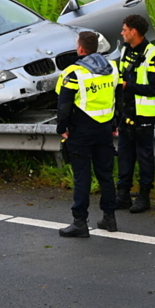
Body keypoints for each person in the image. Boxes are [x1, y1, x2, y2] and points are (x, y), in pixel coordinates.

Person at [55, 31, 118, 238]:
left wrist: (61, 128)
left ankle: (80, 223)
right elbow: (115, 98)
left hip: (81, 131)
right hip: (105, 129)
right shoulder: (111, 68)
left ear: (80, 48)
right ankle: (109, 218)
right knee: (105, 175)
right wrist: (114, 123)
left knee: (82, 177)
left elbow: (64, 105)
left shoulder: (73, 72)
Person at [114, 14, 155, 214]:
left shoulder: (154, 55)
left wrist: (128, 86)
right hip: (126, 110)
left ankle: (144, 196)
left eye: (124, 29)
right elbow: (120, 76)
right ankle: (123, 195)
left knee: (144, 156)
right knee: (125, 154)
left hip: (144, 113)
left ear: (133, 32)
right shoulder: (125, 49)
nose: (122, 33)